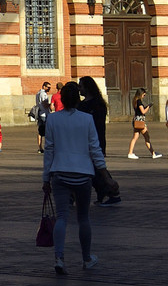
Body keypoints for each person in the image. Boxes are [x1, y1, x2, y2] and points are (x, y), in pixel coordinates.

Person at [43, 81, 106, 275]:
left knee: (62, 217)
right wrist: (104, 173)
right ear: (78, 99)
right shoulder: (86, 119)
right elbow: (94, 149)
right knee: (83, 218)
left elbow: (49, 150)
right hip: (83, 174)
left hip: (60, 173)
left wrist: (46, 178)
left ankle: (59, 258)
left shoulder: (53, 120)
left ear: (61, 99)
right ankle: (86, 258)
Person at [77, 76, 120, 204]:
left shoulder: (95, 105)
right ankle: (104, 193)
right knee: (94, 169)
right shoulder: (85, 104)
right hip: (89, 142)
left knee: (97, 170)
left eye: (81, 86)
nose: (79, 89)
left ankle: (112, 192)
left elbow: (99, 127)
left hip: (93, 141)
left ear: (87, 88)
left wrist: (100, 144)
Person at [126, 88, 160, 159]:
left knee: (135, 137)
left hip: (136, 120)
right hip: (140, 121)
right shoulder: (139, 101)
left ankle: (130, 152)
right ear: (141, 94)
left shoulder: (135, 100)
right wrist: (148, 107)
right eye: (144, 95)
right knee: (146, 137)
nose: (144, 96)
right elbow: (143, 111)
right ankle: (153, 153)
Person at [34, 81, 52, 152]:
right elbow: (44, 103)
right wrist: (50, 105)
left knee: (40, 131)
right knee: (47, 131)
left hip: (40, 113)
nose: (49, 89)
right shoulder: (43, 94)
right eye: (48, 87)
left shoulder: (38, 93)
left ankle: (40, 147)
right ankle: (46, 146)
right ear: (44, 86)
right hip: (44, 113)